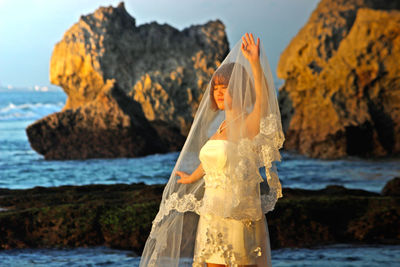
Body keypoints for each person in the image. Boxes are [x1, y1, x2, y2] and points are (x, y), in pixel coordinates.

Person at [139, 33, 285, 267]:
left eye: (225, 86)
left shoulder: (248, 123)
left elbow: (263, 102)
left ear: (238, 89)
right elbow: (212, 163)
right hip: (213, 212)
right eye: (216, 87)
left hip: (237, 211)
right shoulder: (221, 127)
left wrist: (255, 64)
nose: (218, 92)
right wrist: (191, 177)